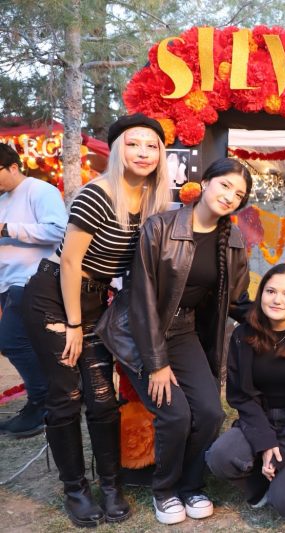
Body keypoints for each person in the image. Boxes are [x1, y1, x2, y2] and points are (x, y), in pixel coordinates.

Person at [21, 114, 171, 528]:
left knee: (103, 398)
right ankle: (75, 490)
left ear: (161, 155)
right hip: (55, 297)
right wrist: (73, 324)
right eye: (133, 143)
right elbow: (70, 262)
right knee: (67, 397)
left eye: (152, 145)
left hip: (95, 303)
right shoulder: (98, 194)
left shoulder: (152, 201)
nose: (143, 152)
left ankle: (111, 485)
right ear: (119, 149)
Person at [122, 157, 252, 525]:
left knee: (211, 412)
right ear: (206, 182)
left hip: (183, 331)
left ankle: (192, 484)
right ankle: (164, 489)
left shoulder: (233, 240)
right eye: (225, 185)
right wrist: (156, 364)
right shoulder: (160, 226)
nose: (229, 196)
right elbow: (141, 299)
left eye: (238, 194)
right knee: (176, 413)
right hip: (140, 334)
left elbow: (238, 301)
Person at [206, 263, 285, 519]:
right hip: (262, 421)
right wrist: (266, 443)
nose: (277, 300)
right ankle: (262, 481)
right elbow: (241, 397)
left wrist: (281, 453)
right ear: (261, 294)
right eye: (271, 291)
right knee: (219, 457)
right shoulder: (243, 336)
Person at [0, 144, 67, 438]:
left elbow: (58, 230)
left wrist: (7, 229)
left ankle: (42, 403)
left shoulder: (40, 191)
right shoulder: (3, 198)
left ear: (13, 167)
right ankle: (46, 401)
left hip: (31, 280)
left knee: (12, 342)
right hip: (8, 282)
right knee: (25, 344)